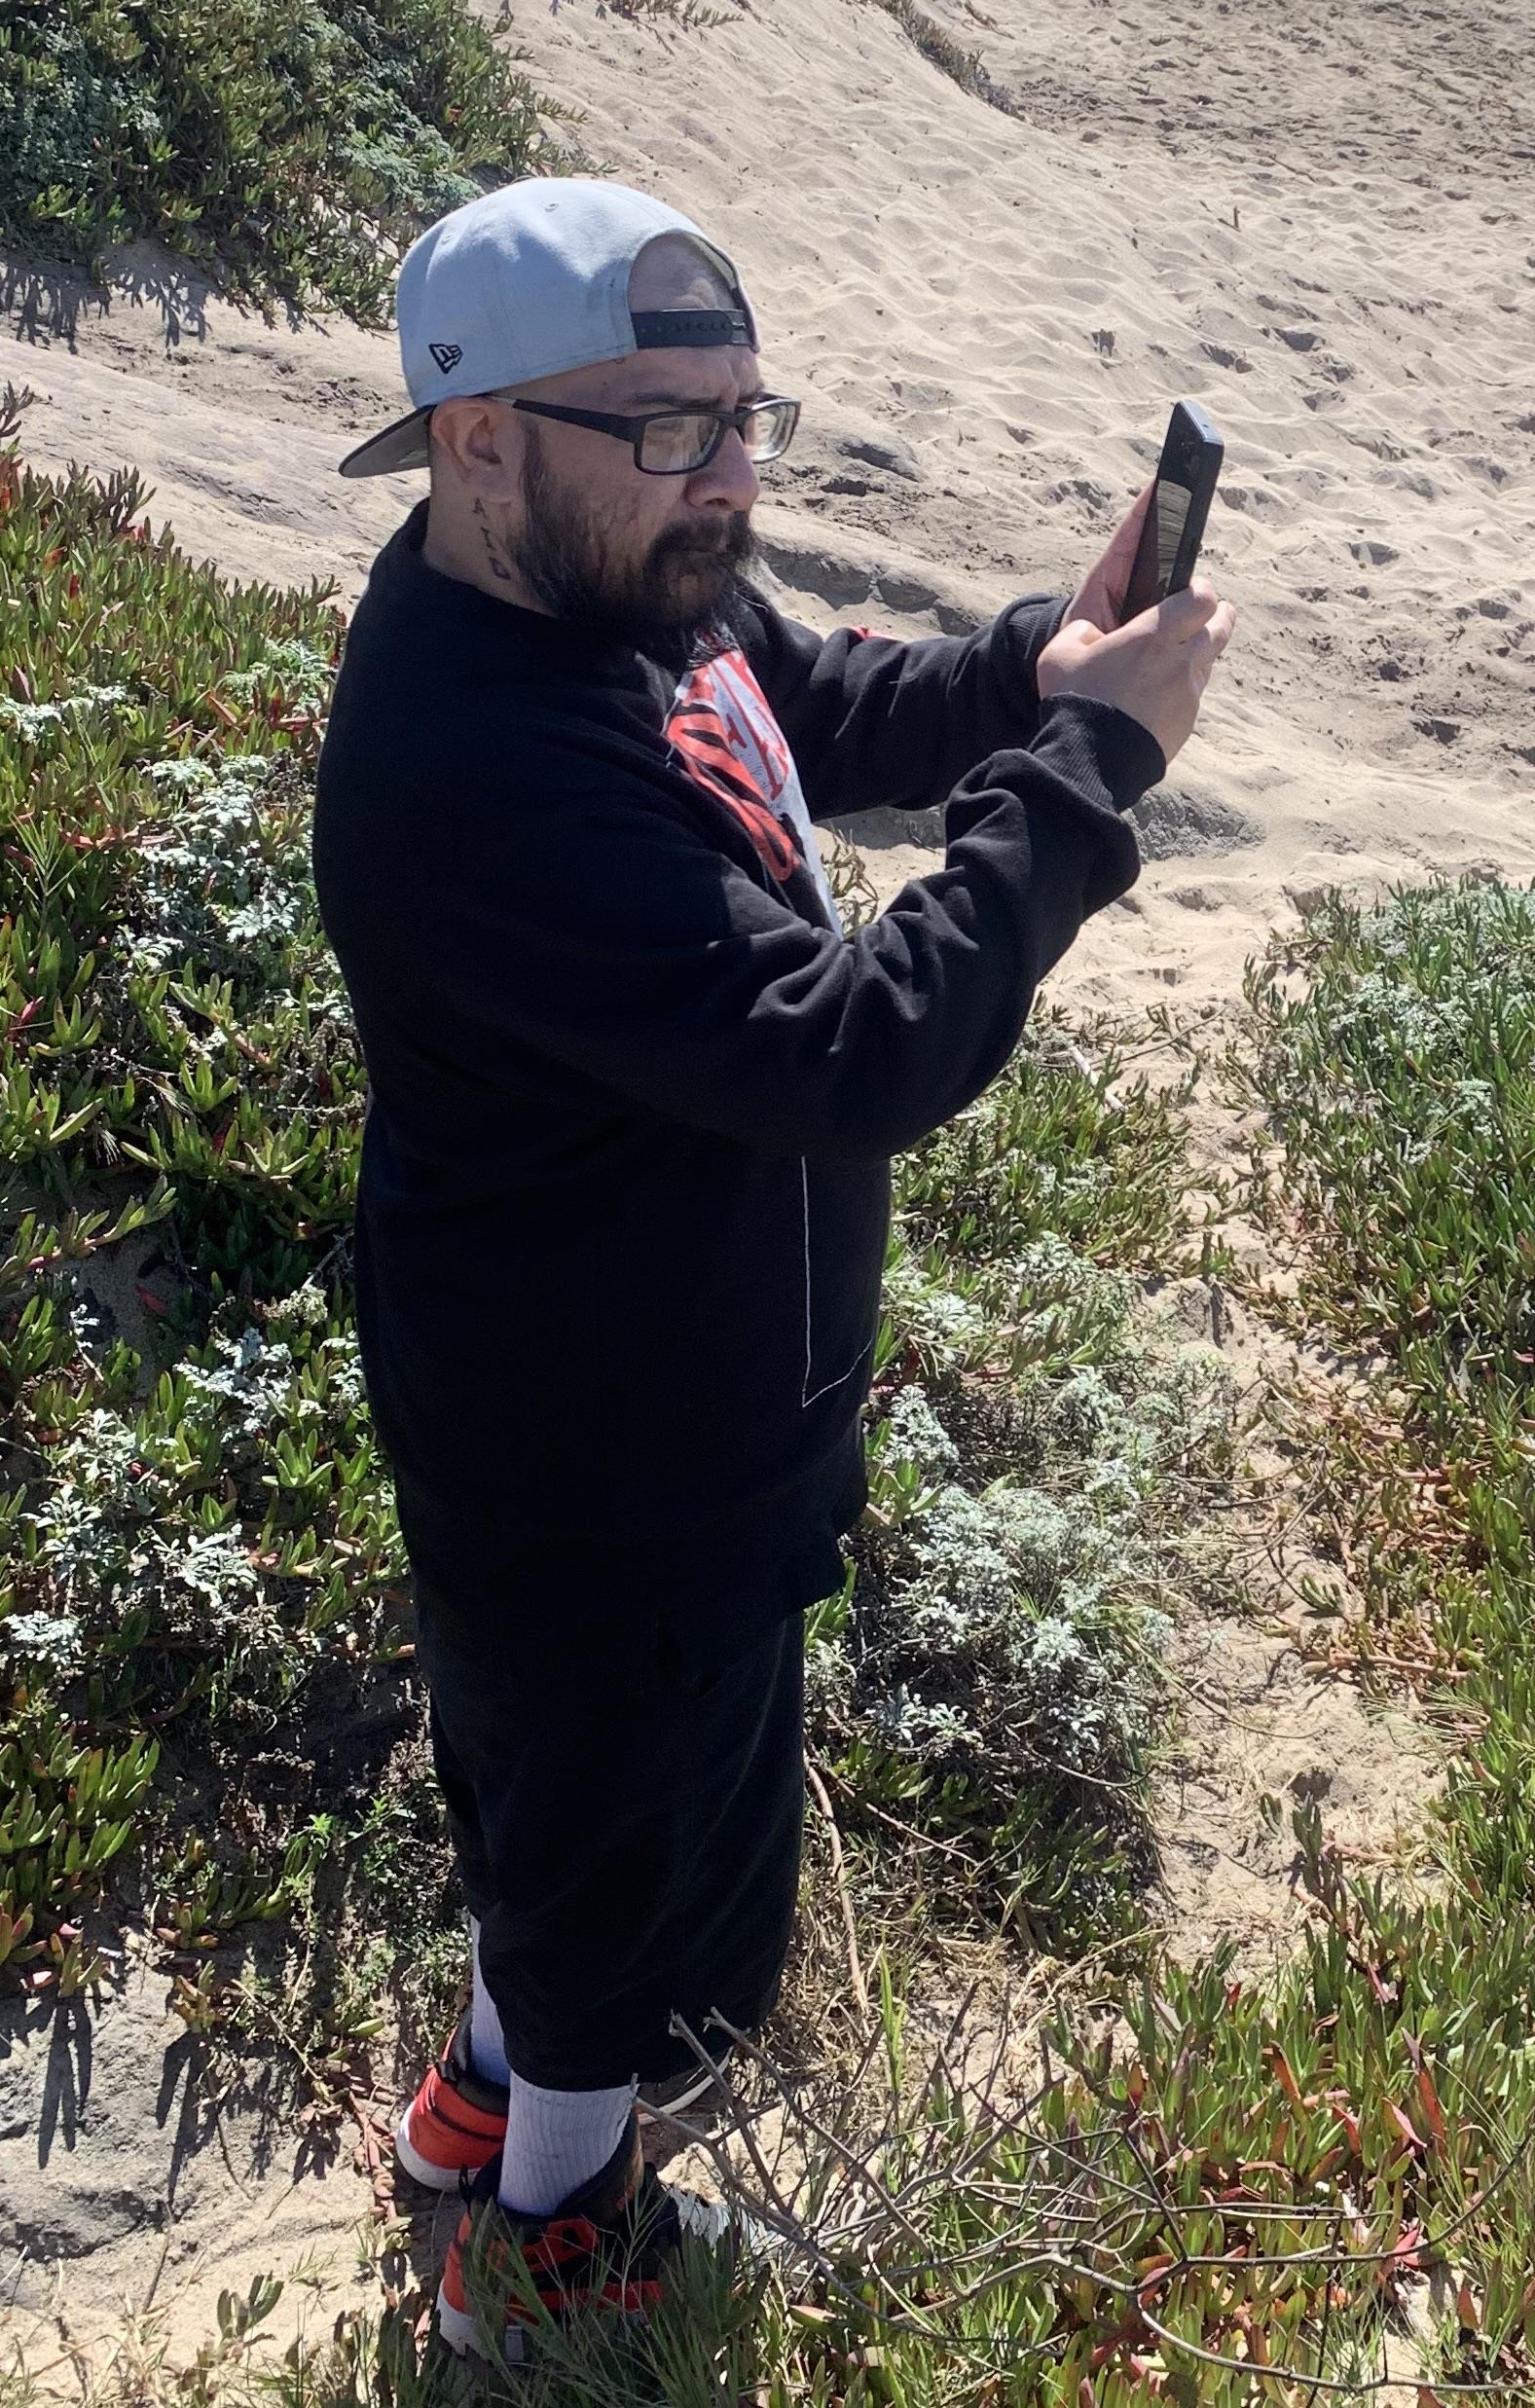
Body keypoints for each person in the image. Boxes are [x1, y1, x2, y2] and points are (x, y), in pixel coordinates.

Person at [311, 180, 1232, 2360]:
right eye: (674, 428)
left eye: (750, 418)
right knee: (616, 1870)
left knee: (583, 1832)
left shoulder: (627, 577)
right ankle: (549, 2257)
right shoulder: (475, 763)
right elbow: (861, 1045)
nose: (732, 476)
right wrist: (1093, 770)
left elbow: (818, 698)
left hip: (695, 1408)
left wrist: (1029, 668)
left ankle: (479, 2120)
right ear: (478, 440)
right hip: (590, 1450)